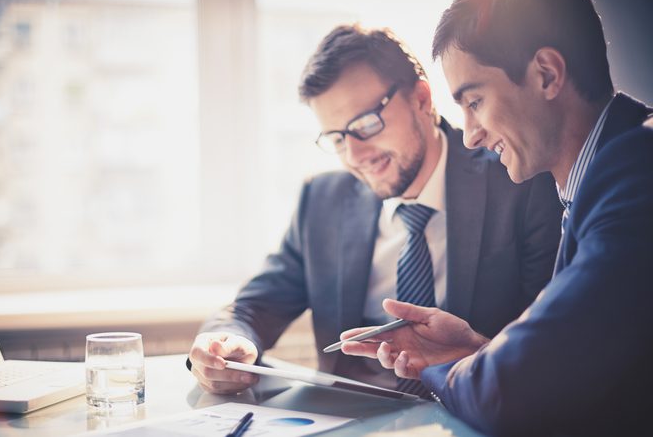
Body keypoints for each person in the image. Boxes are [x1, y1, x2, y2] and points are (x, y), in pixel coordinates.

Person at [339, 0, 653, 435]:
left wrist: (444, 367)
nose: (469, 136)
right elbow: (572, 374)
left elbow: (508, 391)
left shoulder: (637, 173)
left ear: (546, 74)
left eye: (474, 102)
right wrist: (475, 350)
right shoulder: (602, 177)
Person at [187, 24, 562, 397]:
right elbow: (254, 306)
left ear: (421, 98)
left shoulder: (519, 181)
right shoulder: (322, 200)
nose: (355, 155)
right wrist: (224, 342)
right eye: (336, 138)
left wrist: (477, 350)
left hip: (468, 414)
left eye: (366, 124)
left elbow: (547, 348)